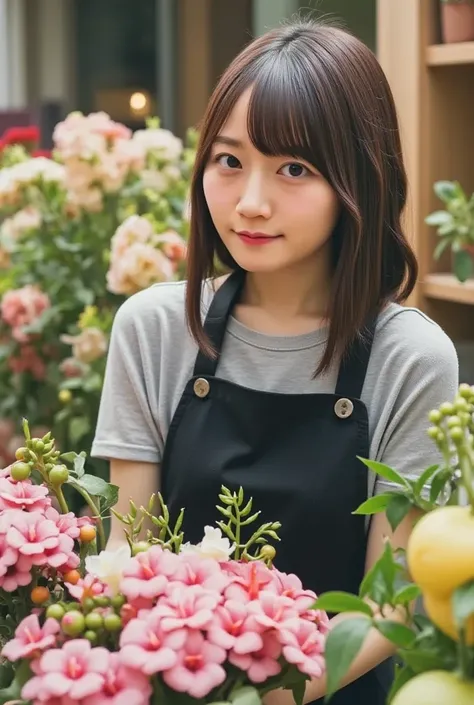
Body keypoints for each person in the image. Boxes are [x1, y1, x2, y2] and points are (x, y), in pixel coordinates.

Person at [91, 18, 459, 705]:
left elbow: (389, 606)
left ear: (360, 178)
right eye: (229, 161)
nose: (251, 202)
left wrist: (258, 697)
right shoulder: (154, 328)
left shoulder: (410, 357)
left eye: (294, 168)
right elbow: (128, 554)